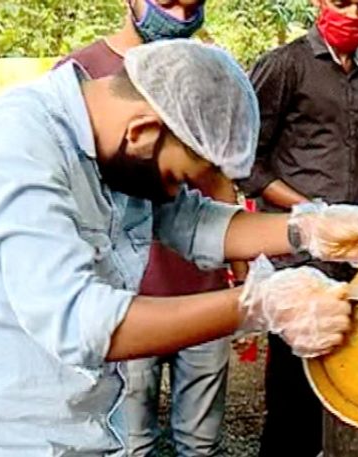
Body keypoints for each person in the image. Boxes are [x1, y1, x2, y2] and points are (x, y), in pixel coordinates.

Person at [0, 40, 358, 455]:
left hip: (82, 429)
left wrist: (312, 227)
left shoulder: (110, 147)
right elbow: (79, 319)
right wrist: (259, 305)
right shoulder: (18, 145)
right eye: (179, 178)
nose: (179, 194)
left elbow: (191, 220)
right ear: (142, 132)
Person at [60, 2, 238, 455]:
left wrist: (301, 233)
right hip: (127, 301)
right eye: (169, 2)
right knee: (129, 441)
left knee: (201, 443)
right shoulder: (80, 83)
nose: (180, 14)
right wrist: (256, 304)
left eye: (192, 4)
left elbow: (213, 188)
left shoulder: (205, 73)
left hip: (201, 289)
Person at [236, 1, 358, 455]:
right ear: (318, 4)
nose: (353, 12)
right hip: (296, 253)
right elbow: (247, 161)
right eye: (341, 2)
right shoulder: (285, 65)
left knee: (348, 375)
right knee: (293, 395)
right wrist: (309, 212)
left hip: (357, 256)